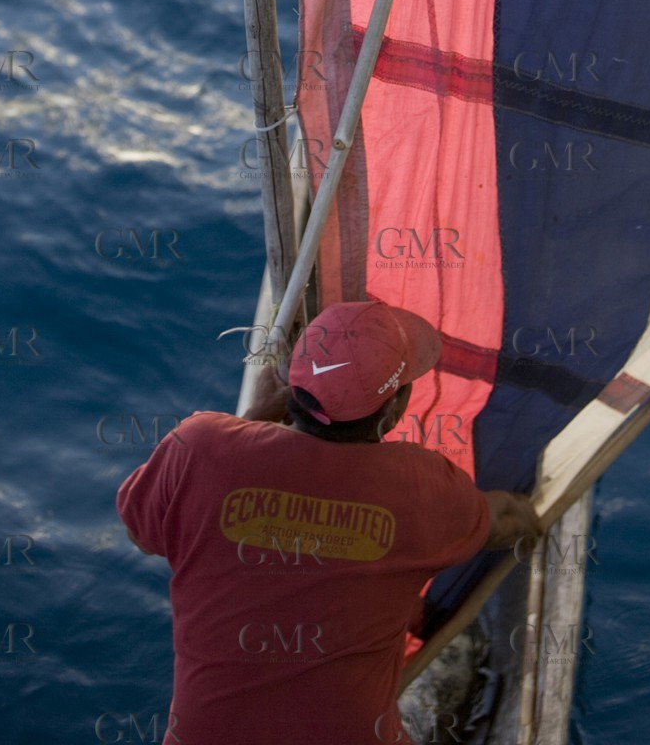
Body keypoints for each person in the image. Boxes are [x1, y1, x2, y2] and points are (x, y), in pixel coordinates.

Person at [117, 299, 541, 745]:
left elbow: (142, 534)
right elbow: (505, 522)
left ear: (293, 389)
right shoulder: (423, 486)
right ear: (396, 409)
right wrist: (529, 511)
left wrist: (253, 421)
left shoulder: (197, 448)